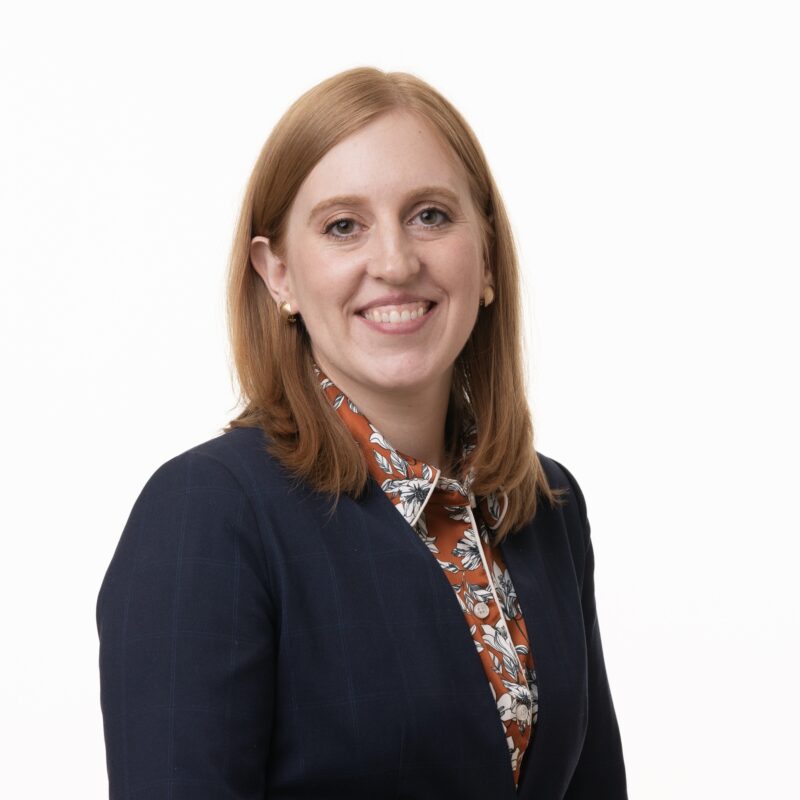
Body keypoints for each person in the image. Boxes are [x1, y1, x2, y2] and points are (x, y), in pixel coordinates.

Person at [96, 67, 627, 799]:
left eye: (431, 215)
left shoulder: (543, 502)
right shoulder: (209, 513)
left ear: (488, 258)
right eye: (344, 226)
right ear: (277, 273)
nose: (395, 262)